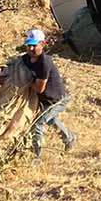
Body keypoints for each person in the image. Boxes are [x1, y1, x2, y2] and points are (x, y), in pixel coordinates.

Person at [21, 28, 76, 158]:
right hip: (46, 100)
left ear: (42, 44)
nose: (31, 49)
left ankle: (37, 157)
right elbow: (12, 66)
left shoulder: (45, 62)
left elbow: (39, 89)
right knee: (51, 120)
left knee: (37, 124)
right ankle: (70, 138)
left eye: (34, 45)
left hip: (57, 100)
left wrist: (25, 82)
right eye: (28, 45)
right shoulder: (26, 59)